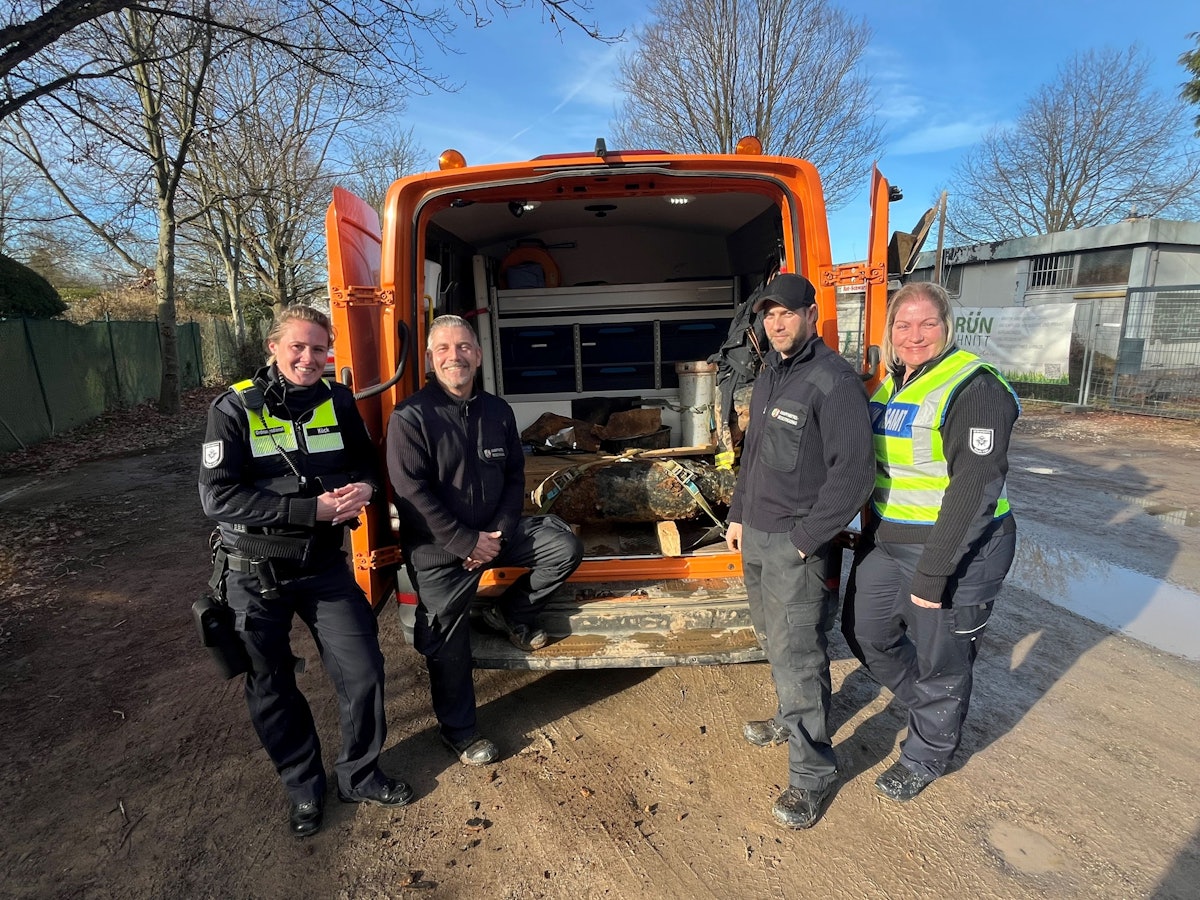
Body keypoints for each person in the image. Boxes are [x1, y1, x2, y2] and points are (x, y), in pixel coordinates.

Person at [199, 304, 412, 839]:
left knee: (363, 670)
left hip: (323, 567)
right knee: (270, 687)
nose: (310, 357)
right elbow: (216, 496)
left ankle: (359, 774)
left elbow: (366, 462)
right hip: (253, 573)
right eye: (298, 346)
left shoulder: (337, 399)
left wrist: (365, 487)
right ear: (273, 347)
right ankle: (303, 787)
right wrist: (306, 510)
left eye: (319, 348)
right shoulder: (232, 407)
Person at [842, 281, 1020, 803]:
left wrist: (935, 573)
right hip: (892, 541)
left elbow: (974, 488)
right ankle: (923, 702)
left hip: (958, 550)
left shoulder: (974, 387)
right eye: (903, 324)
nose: (914, 334)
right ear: (889, 331)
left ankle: (927, 754)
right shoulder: (895, 382)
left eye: (927, 324)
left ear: (947, 327)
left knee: (944, 658)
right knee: (866, 632)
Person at [385, 315, 583, 766]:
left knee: (562, 547)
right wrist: (464, 543)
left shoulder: (499, 411)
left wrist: (500, 534)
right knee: (447, 644)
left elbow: (514, 477)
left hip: (495, 536)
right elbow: (411, 492)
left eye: (463, 347)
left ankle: (511, 611)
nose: (455, 356)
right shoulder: (411, 416)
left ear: (477, 353)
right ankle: (458, 731)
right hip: (438, 550)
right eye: (443, 349)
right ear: (432, 360)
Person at [725, 274, 875, 829]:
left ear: (811, 313)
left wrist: (805, 540)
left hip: (797, 546)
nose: (776, 323)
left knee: (801, 654)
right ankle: (793, 720)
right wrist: (738, 516)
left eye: (786, 313)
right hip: (759, 537)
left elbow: (854, 475)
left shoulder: (832, 380)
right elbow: (754, 458)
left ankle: (812, 775)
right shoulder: (770, 375)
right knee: (774, 642)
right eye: (768, 315)